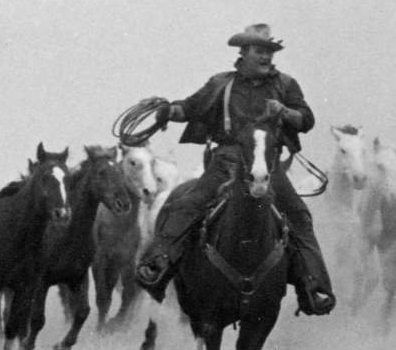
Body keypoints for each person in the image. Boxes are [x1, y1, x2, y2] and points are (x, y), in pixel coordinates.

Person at [134, 24, 336, 315]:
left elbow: (306, 119)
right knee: (188, 204)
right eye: (259, 51)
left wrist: (284, 112)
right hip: (227, 161)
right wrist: (168, 111)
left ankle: (314, 287)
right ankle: (157, 265)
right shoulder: (221, 84)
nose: (266, 56)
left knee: (299, 216)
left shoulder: (286, 84)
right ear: (243, 53)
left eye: (269, 51)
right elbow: (189, 108)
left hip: (268, 163)